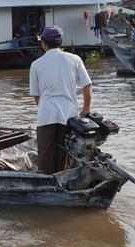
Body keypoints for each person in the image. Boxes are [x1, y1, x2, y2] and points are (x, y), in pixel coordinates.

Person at [30, 25, 92, 174]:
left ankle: (47, 186)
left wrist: (44, 108)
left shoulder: (36, 64)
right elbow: (88, 86)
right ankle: (65, 182)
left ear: (43, 43)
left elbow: (36, 95)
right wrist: (86, 109)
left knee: (45, 158)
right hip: (70, 116)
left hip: (47, 116)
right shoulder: (74, 59)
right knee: (65, 155)